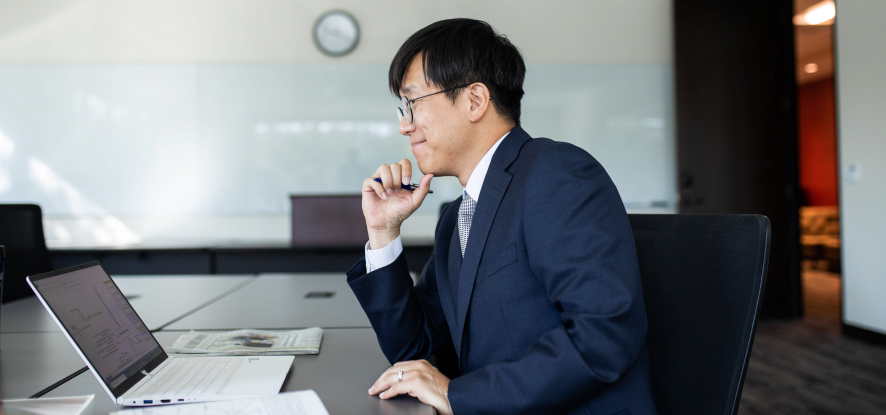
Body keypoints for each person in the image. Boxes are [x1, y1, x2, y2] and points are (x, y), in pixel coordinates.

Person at [346, 18, 658, 415]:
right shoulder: (457, 216)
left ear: (475, 100)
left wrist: (458, 396)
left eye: (414, 102)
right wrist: (383, 232)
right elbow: (417, 353)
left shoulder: (557, 174)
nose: (405, 125)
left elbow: (603, 336)